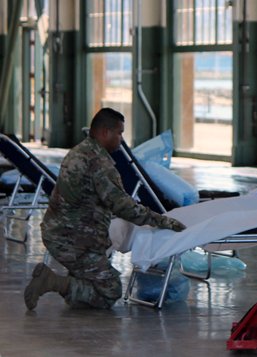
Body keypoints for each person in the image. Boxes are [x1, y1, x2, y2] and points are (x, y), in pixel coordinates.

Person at [24, 108, 186, 310]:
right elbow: (124, 207)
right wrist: (163, 220)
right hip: (74, 242)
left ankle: (73, 287)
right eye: (119, 133)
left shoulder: (80, 151)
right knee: (110, 292)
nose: (121, 139)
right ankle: (53, 282)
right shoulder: (100, 164)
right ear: (104, 132)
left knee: (88, 287)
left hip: (60, 233)